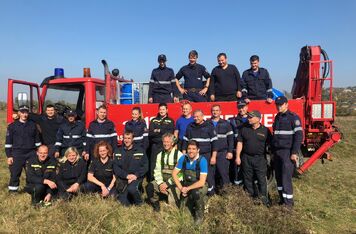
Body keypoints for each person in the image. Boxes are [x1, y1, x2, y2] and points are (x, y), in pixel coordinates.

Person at [272, 96, 303, 207]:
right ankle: (282, 200)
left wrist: (294, 152)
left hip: (287, 152)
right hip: (277, 152)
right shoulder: (277, 117)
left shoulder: (293, 117)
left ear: (286, 104)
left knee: (286, 179)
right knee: (278, 178)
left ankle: (289, 205)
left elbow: (299, 136)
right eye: (277, 104)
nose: (278, 106)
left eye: (281, 104)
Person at [236, 110, 271, 206]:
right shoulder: (244, 129)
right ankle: (251, 200)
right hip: (246, 158)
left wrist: (271, 159)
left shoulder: (265, 130)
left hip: (260, 159)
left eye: (251, 117)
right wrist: (238, 157)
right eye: (248, 117)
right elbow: (240, 143)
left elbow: (270, 146)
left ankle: (264, 200)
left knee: (261, 180)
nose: (249, 119)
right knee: (248, 179)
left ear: (258, 119)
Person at [5, 105, 41, 192]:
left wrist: (39, 152)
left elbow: (37, 141)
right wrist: (9, 156)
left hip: (31, 153)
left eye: (26, 112)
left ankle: (30, 189)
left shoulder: (33, 125)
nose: (24, 114)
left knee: (31, 173)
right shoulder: (12, 126)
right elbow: (8, 143)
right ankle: (13, 191)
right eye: (22, 112)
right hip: (17, 153)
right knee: (15, 173)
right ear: (19, 113)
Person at [172, 140, 208, 224]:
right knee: (184, 215)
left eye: (193, 149)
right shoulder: (183, 158)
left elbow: (202, 182)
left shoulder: (202, 161)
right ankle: (192, 204)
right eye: (189, 148)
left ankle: (199, 215)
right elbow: (174, 174)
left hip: (199, 186)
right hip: (186, 185)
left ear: (198, 150)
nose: (191, 151)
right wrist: (181, 188)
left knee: (196, 193)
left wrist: (187, 189)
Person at [183, 109, 217, 195]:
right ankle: (196, 193)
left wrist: (213, 156)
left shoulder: (209, 126)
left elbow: (215, 143)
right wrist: (184, 153)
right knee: (195, 175)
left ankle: (210, 194)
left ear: (202, 116)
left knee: (208, 175)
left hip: (206, 155)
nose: (196, 118)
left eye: (198, 116)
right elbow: (185, 141)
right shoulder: (190, 127)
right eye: (194, 116)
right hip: (193, 156)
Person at [147, 133, 183, 211]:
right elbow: (157, 171)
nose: (165, 144)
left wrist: (167, 184)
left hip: (174, 182)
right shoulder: (160, 155)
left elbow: (180, 174)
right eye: (164, 142)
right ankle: (156, 206)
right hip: (162, 181)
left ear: (172, 143)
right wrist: (160, 183)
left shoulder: (179, 155)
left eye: (168, 142)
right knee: (150, 187)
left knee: (174, 209)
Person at [113, 131, 148, 206]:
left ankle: (140, 203)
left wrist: (136, 175)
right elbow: (115, 167)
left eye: (129, 138)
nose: (127, 140)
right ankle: (131, 196)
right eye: (125, 138)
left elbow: (145, 166)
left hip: (136, 178)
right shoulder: (118, 151)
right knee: (124, 204)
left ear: (133, 139)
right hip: (123, 179)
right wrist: (126, 176)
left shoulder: (140, 151)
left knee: (132, 189)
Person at [207, 104, 234, 189]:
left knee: (223, 174)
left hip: (222, 153)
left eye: (217, 110)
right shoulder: (207, 123)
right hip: (210, 153)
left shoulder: (226, 124)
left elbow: (231, 139)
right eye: (213, 110)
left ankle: (227, 194)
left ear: (220, 112)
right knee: (210, 174)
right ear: (211, 112)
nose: (215, 112)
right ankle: (212, 194)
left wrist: (230, 151)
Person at [148, 103, 175, 181]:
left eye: (163, 109)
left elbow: (170, 133)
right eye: (160, 109)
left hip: (166, 146)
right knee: (154, 163)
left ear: (167, 110)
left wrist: (158, 130)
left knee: (164, 163)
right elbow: (151, 133)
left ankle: (164, 181)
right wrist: (163, 131)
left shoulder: (170, 121)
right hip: (155, 145)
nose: (161, 111)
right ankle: (152, 181)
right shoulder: (154, 120)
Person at [229, 101, 250, 185]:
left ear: (247, 107)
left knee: (249, 170)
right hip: (238, 150)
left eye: (243, 107)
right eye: (239, 107)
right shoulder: (233, 121)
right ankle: (238, 190)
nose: (241, 109)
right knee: (237, 170)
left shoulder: (252, 119)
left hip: (249, 150)